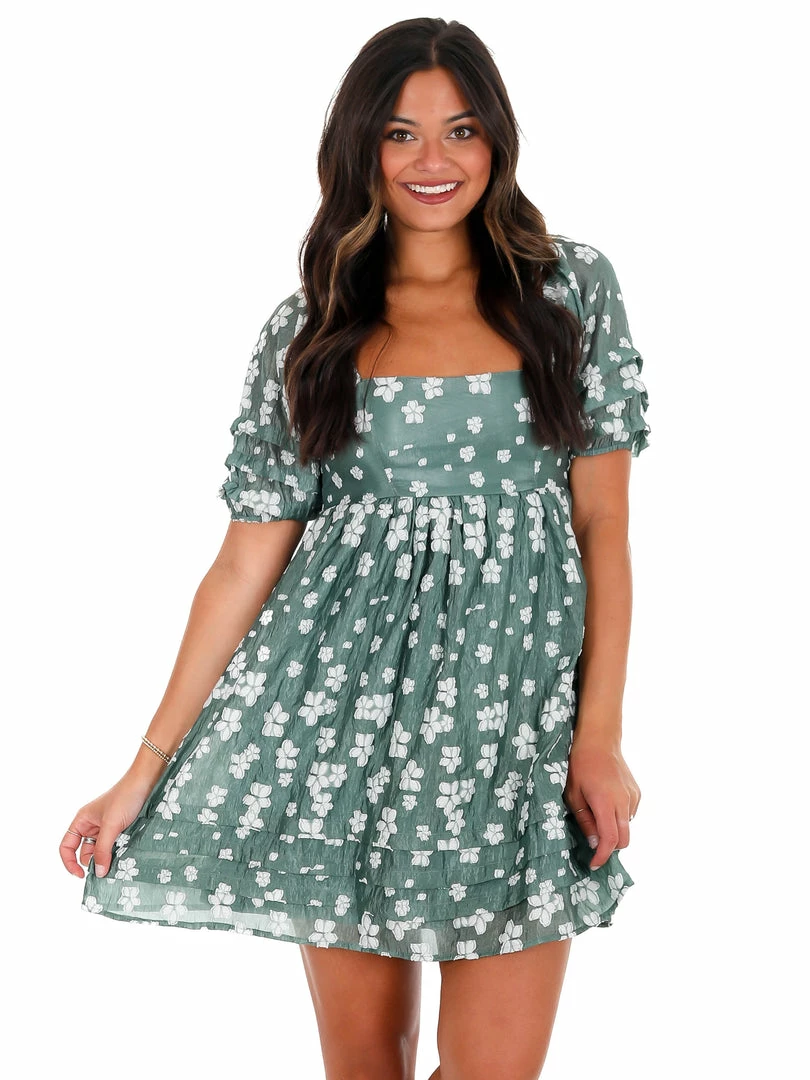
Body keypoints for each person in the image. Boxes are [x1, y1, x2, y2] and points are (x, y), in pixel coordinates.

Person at [59, 17, 650, 1080]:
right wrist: (138, 773)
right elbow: (244, 564)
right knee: (367, 1065)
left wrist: (597, 734)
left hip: (513, 735)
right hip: (336, 733)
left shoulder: (568, 292)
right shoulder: (311, 331)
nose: (433, 160)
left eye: (461, 130)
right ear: (360, 148)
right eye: (400, 133)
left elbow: (603, 520)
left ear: (497, 139)